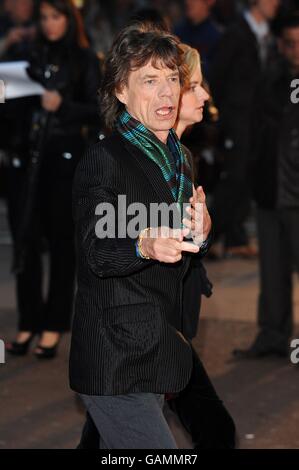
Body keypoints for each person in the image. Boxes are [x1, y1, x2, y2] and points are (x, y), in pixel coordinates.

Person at [70, 25, 212, 449]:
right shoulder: (105, 159)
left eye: (172, 78)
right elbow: (96, 250)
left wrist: (200, 231)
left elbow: (181, 243)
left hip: (158, 348)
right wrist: (142, 243)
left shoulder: (180, 157)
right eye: (149, 81)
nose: (166, 93)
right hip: (114, 358)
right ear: (120, 91)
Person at [5, 0, 101, 359]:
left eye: (56, 16)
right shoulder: (26, 55)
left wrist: (62, 106)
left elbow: (99, 109)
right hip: (26, 160)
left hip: (63, 160)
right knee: (25, 241)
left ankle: (54, 324)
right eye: (44, 17)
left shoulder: (83, 58)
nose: (49, 24)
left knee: (63, 244)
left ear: (69, 18)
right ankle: (29, 320)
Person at [233, 11, 299, 359]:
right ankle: (272, 335)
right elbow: (254, 134)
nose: (296, 50)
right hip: (270, 188)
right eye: (290, 43)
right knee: (272, 271)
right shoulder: (269, 79)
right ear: (279, 44)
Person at [209, 0, 280, 257]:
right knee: (235, 176)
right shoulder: (236, 33)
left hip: (257, 120)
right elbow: (217, 74)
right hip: (236, 119)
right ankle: (210, 235)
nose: (276, 4)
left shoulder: (267, 34)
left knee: (247, 175)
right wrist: (224, 115)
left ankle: (234, 237)